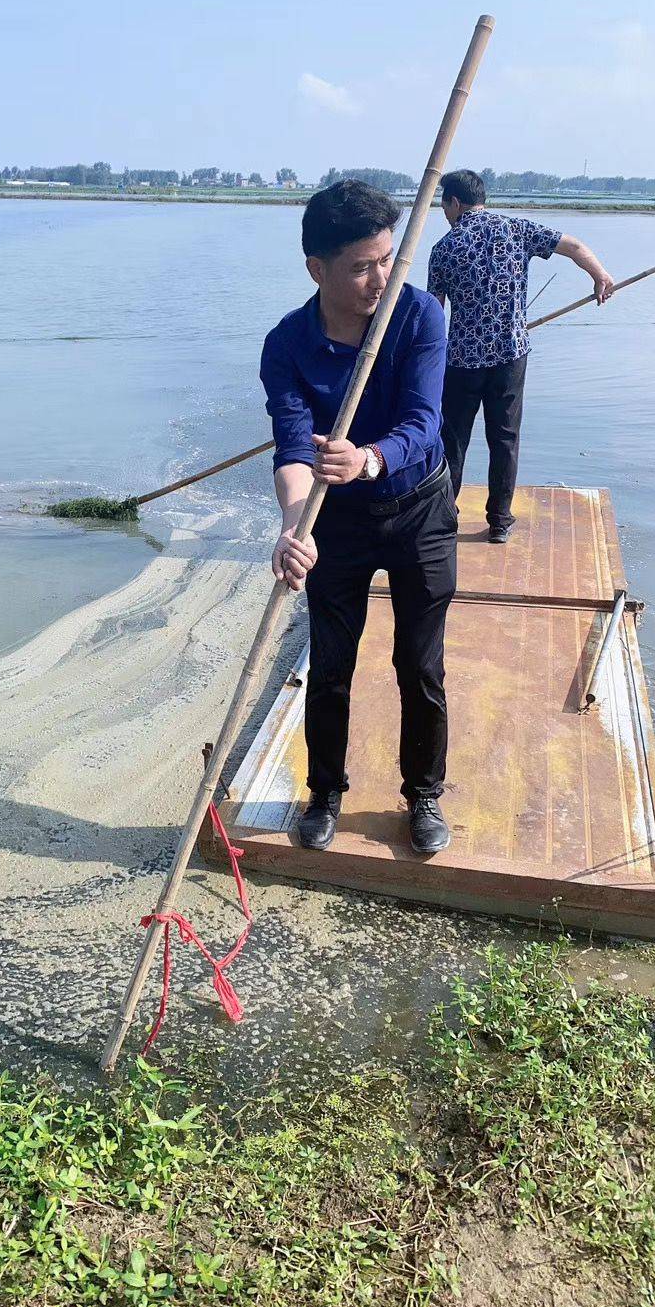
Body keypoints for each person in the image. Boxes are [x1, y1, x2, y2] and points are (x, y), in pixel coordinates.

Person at [259, 180, 456, 856]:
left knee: (419, 663)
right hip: (335, 520)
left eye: (388, 258)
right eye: (362, 266)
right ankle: (325, 793)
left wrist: (368, 459)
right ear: (317, 269)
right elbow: (292, 446)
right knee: (332, 665)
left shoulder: (419, 315)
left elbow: (426, 426)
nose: (381, 277)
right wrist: (294, 526)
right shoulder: (286, 345)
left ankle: (423, 794)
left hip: (418, 508)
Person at [427, 169, 615, 543]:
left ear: (455, 202)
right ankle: (499, 522)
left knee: (452, 440)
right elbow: (574, 246)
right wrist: (600, 276)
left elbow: (434, 312)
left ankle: (443, 518)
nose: (444, 213)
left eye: (443, 205)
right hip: (510, 357)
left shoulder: (444, 249)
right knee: (505, 439)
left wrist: (424, 366)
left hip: (462, 361)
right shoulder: (516, 229)